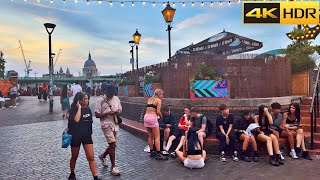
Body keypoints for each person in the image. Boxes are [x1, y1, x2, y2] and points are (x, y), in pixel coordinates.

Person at [67, 92, 101, 180]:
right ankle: (72, 173)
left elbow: (90, 123)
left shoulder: (88, 109)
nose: (87, 100)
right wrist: (79, 108)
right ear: (80, 101)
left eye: (87, 98)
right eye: (85, 99)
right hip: (76, 137)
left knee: (91, 157)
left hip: (87, 137)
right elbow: (77, 120)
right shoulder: (73, 110)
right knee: (74, 156)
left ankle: (95, 177)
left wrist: (90, 135)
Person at [95, 84, 122, 176]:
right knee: (112, 144)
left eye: (113, 94)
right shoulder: (100, 100)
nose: (112, 96)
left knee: (113, 146)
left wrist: (117, 112)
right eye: (110, 94)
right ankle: (113, 167)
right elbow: (97, 114)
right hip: (106, 125)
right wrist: (108, 113)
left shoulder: (116, 99)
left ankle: (102, 156)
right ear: (106, 92)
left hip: (115, 124)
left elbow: (120, 110)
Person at [143, 88, 168, 160]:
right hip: (152, 117)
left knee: (150, 136)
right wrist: (161, 116)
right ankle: (158, 154)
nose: (162, 96)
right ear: (159, 94)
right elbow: (158, 111)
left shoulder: (150, 99)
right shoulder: (158, 100)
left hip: (146, 117)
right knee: (157, 137)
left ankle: (152, 152)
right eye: (162, 94)